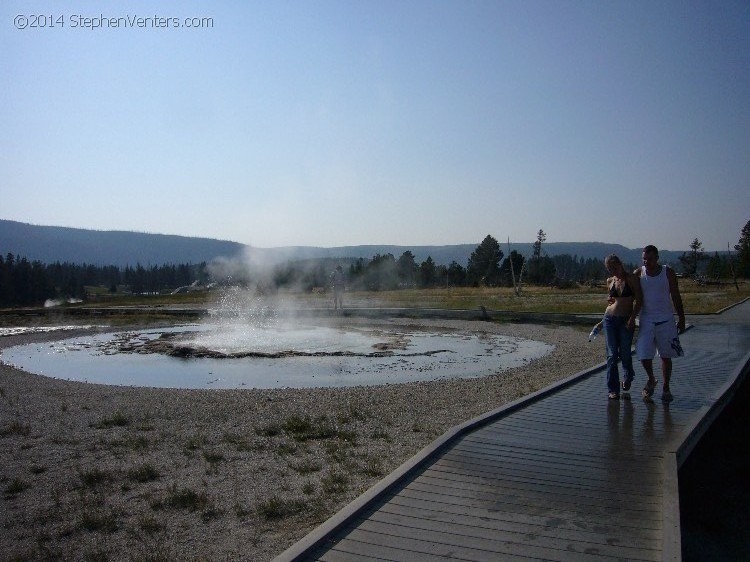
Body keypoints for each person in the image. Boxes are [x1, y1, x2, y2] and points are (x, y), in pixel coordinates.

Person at [635, 245, 685, 403]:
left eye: (649, 258)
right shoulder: (639, 273)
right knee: (643, 353)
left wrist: (681, 317)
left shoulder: (667, 272)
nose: (646, 261)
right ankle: (651, 378)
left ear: (657, 258)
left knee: (666, 355)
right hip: (646, 319)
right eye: (644, 258)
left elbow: (676, 295)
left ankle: (666, 387)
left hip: (666, 319)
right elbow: (630, 294)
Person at [602, 254, 642, 400]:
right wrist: (609, 301)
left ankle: (628, 375)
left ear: (620, 263)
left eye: (613, 266)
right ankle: (613, 389)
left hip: (626, 320)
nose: (612, 270)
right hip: (610, 320)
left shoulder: (631, 279)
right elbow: (611, 301)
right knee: (612, 355)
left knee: (625, 353)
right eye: (609, 268)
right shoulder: (610, 281)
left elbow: (639, 300)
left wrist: (632, 318)